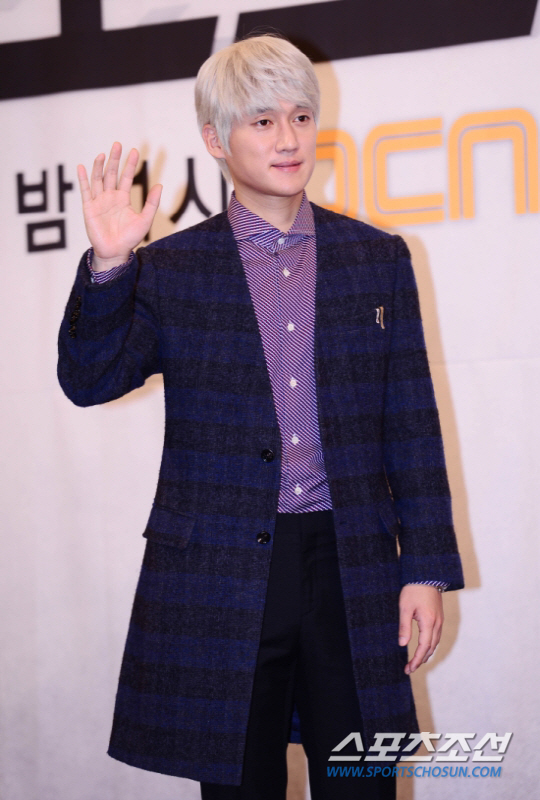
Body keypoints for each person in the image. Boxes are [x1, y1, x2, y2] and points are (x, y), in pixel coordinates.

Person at [58, 33, 464, 800]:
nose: (289, 139)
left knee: (363, 780)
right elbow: (88, 379)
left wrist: (424, 568)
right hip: (223, 571)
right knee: (241, 786)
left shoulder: (376, 258)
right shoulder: (170, 270)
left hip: (351, 563)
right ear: (216, 139)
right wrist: (110, 266)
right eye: (263, 121)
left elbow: (410, 421)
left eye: (301, 117)